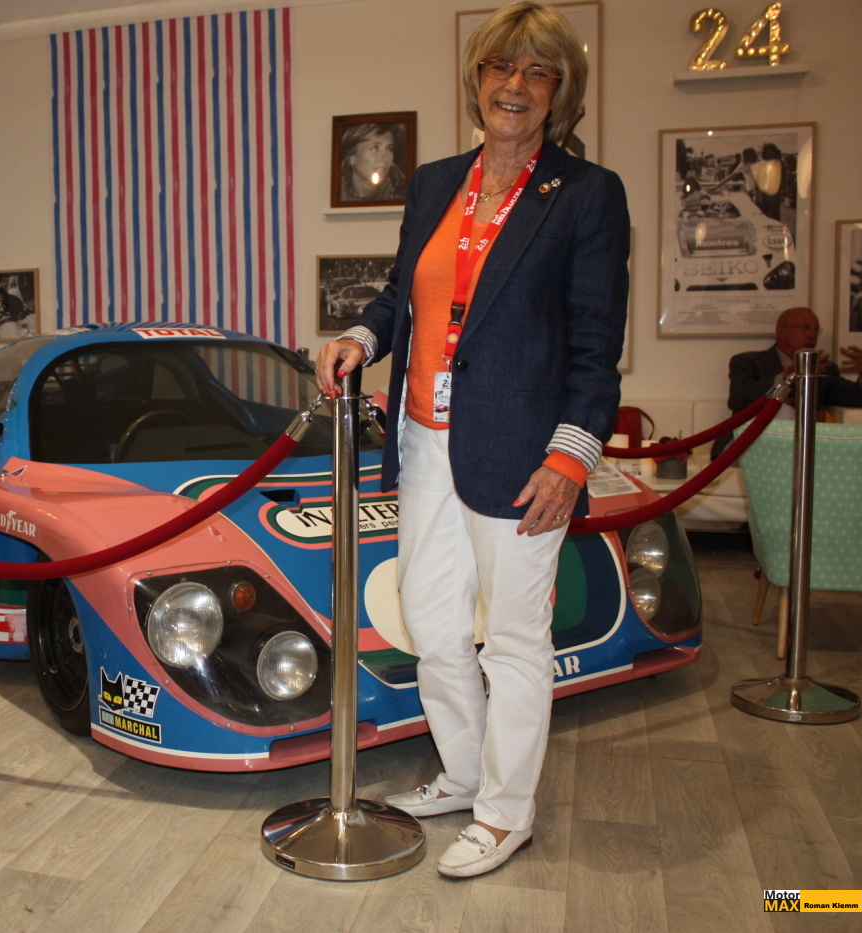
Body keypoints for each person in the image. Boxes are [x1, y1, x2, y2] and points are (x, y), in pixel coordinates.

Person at [315, 1, 627, 879]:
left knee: (516, 639)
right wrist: (361, 337)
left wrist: (571, 458)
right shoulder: (435, 182)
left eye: (537, 71)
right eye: (500, 67)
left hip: (525, 455)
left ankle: (505, 811)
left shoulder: (586, 194)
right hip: (423, 441)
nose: (514, 85)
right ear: (476, 79)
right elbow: (401, 296)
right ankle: (461, 772)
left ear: (561, 91)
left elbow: (597, 345)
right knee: (432, 620)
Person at [711, 307, 862, 456]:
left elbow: (859, 399)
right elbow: (738, 399)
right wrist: (786, 378)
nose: (812, 334)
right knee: (782, 409)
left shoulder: (823, 368)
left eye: (816, 330)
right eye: (805, 328)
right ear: (781, 331)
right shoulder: (749, 361)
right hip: (749, 444)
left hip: (799, 449)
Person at [337, 123, 408, 203]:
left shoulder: (403, 195)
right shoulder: (333, 193)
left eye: (389, 148)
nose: (385, 156)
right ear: (351, 157)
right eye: (375, 148)